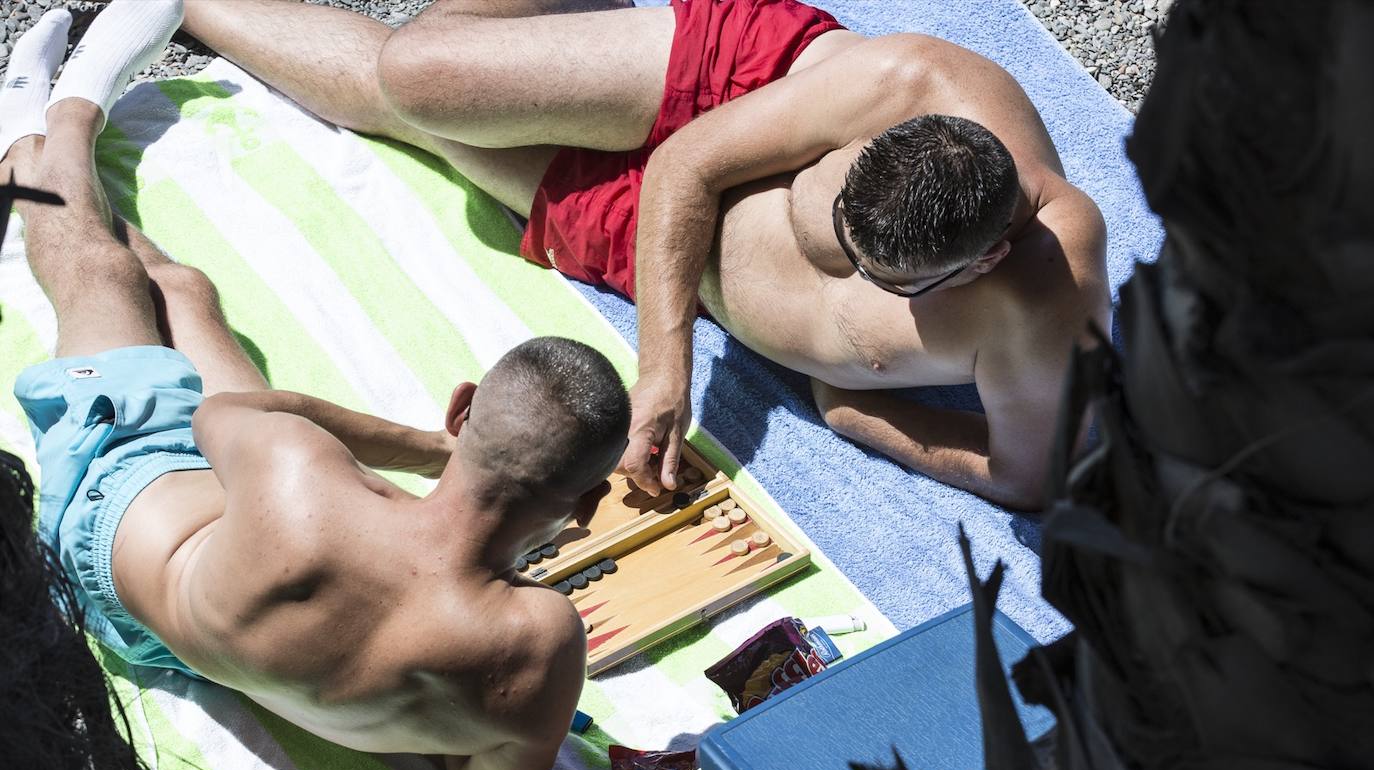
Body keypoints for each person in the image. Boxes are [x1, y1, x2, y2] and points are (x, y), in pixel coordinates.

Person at [4, 2, 630, 770]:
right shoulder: (542, 646)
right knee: (184, 291)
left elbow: (218, 418)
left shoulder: (302, 469)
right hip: (210, 643)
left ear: (462, 408)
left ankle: (49, 121)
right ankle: (71, 164)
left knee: (105, 278)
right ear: (583, 507)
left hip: (114, 537)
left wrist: (419, 451)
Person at [182, 0, 1111, 511]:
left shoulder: (1044, 306)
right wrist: (665, 370)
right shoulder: (912, 82)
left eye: (885, 284)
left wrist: (854, 415)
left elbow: (1028, 475)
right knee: (420, 73)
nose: (855, 279)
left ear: (982, 265)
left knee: (407, 120)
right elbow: (692, 160)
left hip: (654, 238)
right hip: (738, 89)